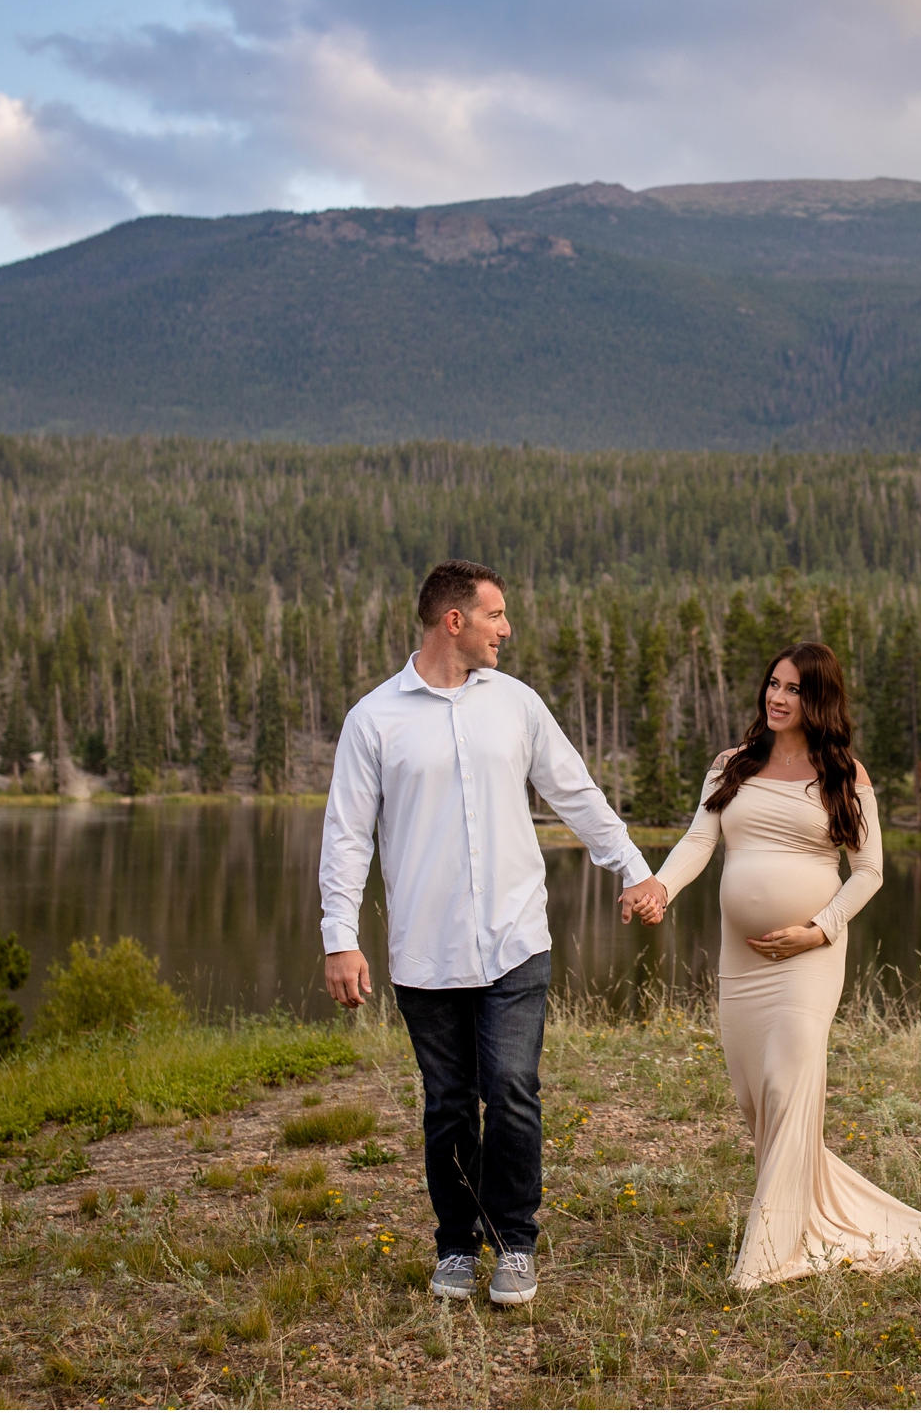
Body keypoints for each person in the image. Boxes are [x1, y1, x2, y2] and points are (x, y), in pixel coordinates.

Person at [320, 559, 665, 1308]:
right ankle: (454, 1245)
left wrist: (633, 868)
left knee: (510, 1090)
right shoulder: (374, 718)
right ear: (455, 620)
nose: (507, 628)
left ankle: (513, 1241)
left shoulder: (516, 705)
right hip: (426, 952)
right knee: (448, 1102)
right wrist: (338, 935)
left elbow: (575, 790)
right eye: (496, 614)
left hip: (515, 940)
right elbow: (346, 836)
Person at [620, 642, 921, 1289]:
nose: (777, 696)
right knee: (757, 1098)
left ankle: (766, 1255)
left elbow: (870, 871)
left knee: (789, 1085)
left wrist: (818, 929)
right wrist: (661, 888)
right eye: (772, 683)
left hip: (808, 959)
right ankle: (808, 1214)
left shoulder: (846, 774)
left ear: (818, 699)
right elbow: (699, 840)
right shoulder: (732, 765)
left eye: (792, 687)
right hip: (742, 962)